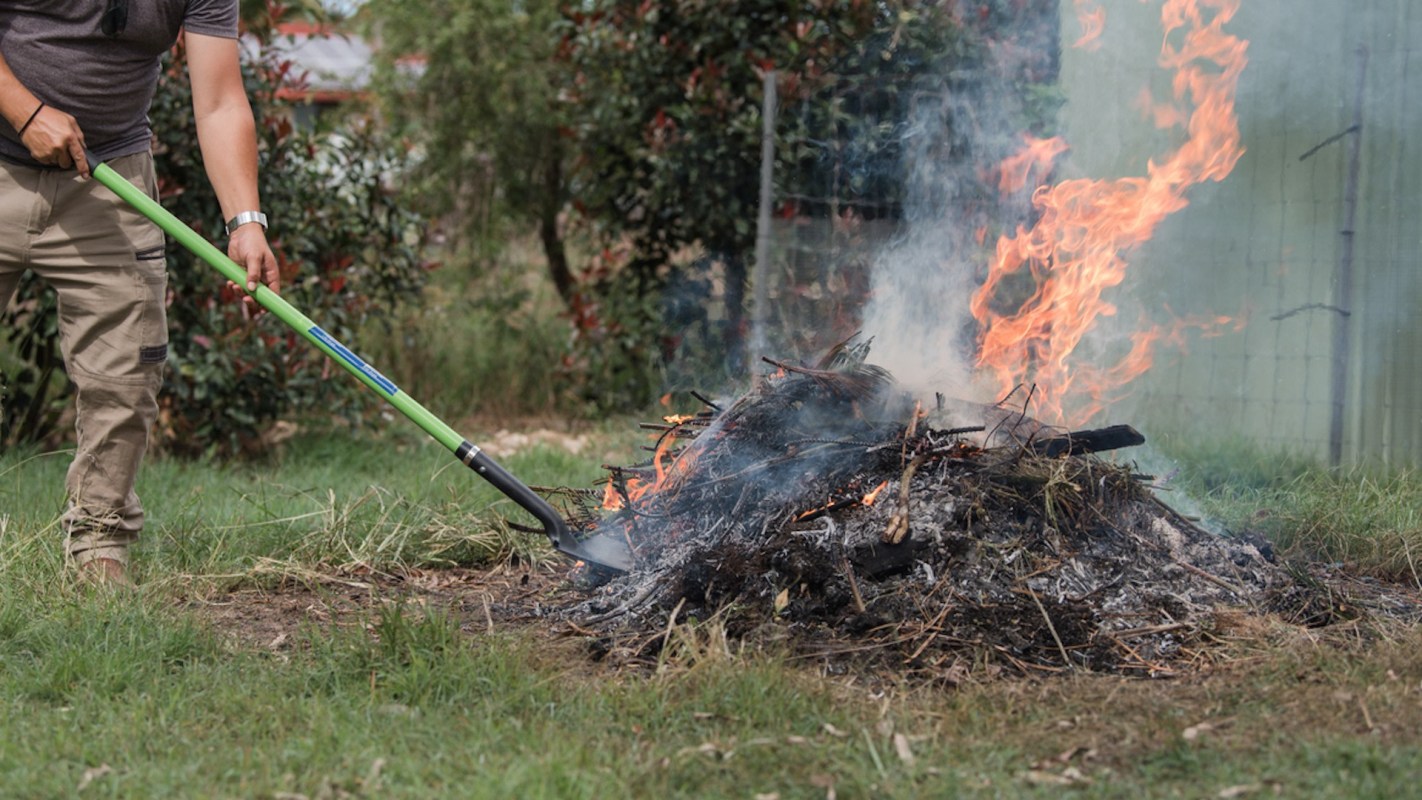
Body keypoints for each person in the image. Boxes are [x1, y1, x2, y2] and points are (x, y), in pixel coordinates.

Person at [0, 1, 280, 585]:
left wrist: (246, 222)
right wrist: (25, 112)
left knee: (126, 368)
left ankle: (100, 543)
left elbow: (221, 101)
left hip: (107, 173)